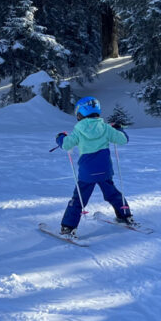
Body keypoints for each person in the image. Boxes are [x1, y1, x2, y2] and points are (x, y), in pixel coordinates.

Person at [55, 96, 134, 238]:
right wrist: (119, 129)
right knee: (113, 194)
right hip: (105, 171)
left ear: (80, 113)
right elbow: (123, 140)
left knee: (79, 199)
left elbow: (67, 144)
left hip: (87, 174)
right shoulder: (105, 128)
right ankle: (125, 216)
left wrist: (60, 137)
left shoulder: (78, 131)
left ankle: (68, 227)